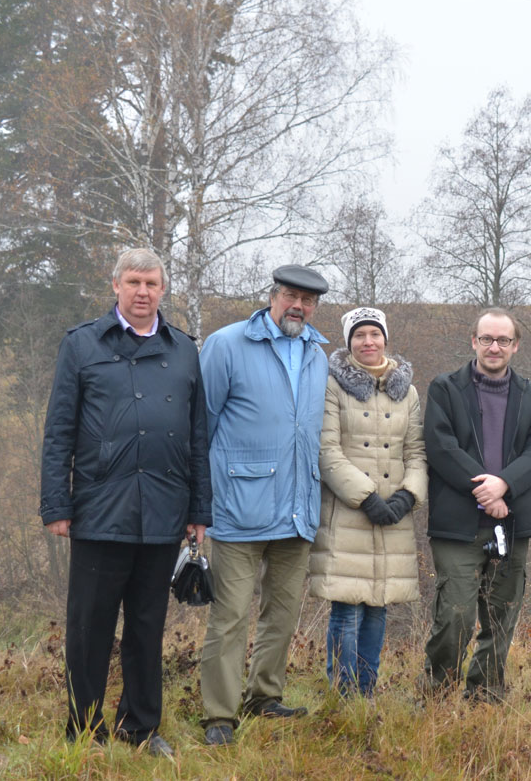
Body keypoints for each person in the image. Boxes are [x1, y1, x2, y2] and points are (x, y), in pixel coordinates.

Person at [39, 248, 211, 758]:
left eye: (152, 283)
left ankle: (140, 728)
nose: (143, 291)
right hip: (98, 511)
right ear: (115, 286)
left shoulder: (183, 349)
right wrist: (57, 504)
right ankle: (85, 730)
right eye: (133, 281)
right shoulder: (81, 345)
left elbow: (197, 435)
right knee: (90, 628)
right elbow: (58, 432)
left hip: (164, 512)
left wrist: (200, 510)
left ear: (163, 289)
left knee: (145, 627)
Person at [197, 265, 330, 746]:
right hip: (238, 508)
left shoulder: (318, 354)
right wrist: (199, 505)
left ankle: (264, 696)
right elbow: (202, 427)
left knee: (283, 611)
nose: (299, 306)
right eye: (291, 296)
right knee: (230, 616)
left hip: (297, 511)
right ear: (273, 295)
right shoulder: (227, 344)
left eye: (308, 300)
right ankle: (219, 714)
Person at [420, 308, 531, 702]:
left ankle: (485, 695)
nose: (495, 347)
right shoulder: (444, 389)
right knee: (456, 614)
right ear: (473, 341)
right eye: (487, 339)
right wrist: (485, 489)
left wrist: (505, 485)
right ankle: (435, 695)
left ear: (515, 346)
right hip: (457, 522)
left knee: (502, 613)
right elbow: (441, 447)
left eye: (503, 340)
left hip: (512, 523)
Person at [308, 307, 427, 696]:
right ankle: (342, 695)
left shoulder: (406, 391)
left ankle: (367, 692)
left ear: (385, 339)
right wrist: (366, 497)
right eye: (359, 335)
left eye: (375, 334)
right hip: (349, 511)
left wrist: (409, 495)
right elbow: (327, 451)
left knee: (379, 606)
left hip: (394, 513)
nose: (368, 342)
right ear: (349, 342)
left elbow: (416, 452)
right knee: (347, 606)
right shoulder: (331, 386)